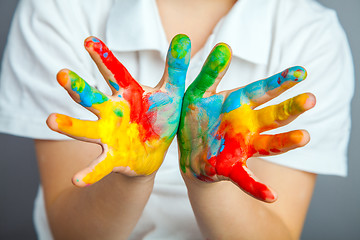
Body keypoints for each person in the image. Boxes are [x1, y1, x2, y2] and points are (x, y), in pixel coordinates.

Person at [0, 0, 354, 239]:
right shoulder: (59, 9)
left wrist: (204, 178)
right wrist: (131, 178)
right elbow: (69, 232)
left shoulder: (311, 33)